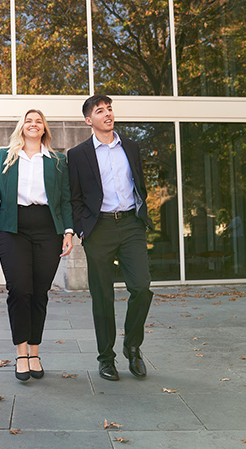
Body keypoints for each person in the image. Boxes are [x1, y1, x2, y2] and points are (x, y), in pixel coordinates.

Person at [67, 95, 154, 381]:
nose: (108, 114)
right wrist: (82, 229)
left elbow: (138, 183)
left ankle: (132, 346)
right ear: (88, 120)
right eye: (100, 111)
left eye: (109, 109)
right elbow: (75, 197)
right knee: (102, 296)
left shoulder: (130, 146)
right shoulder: (78, 154)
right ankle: (106, 358)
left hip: (131, 225)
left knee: (141, 287)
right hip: (99, 229)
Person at [0, 109, 73, 381]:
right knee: (20, 290)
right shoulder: (4, 157)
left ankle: (35, 352)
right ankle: (21, 353)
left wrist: (68, 231)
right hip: (13, 227)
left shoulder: (58, 161)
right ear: (21, 126)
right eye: (29, 120)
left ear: (44, 128)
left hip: (49, 228)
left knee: (39, 292)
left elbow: (66, 199)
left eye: (39, 121)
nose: (33, 124)